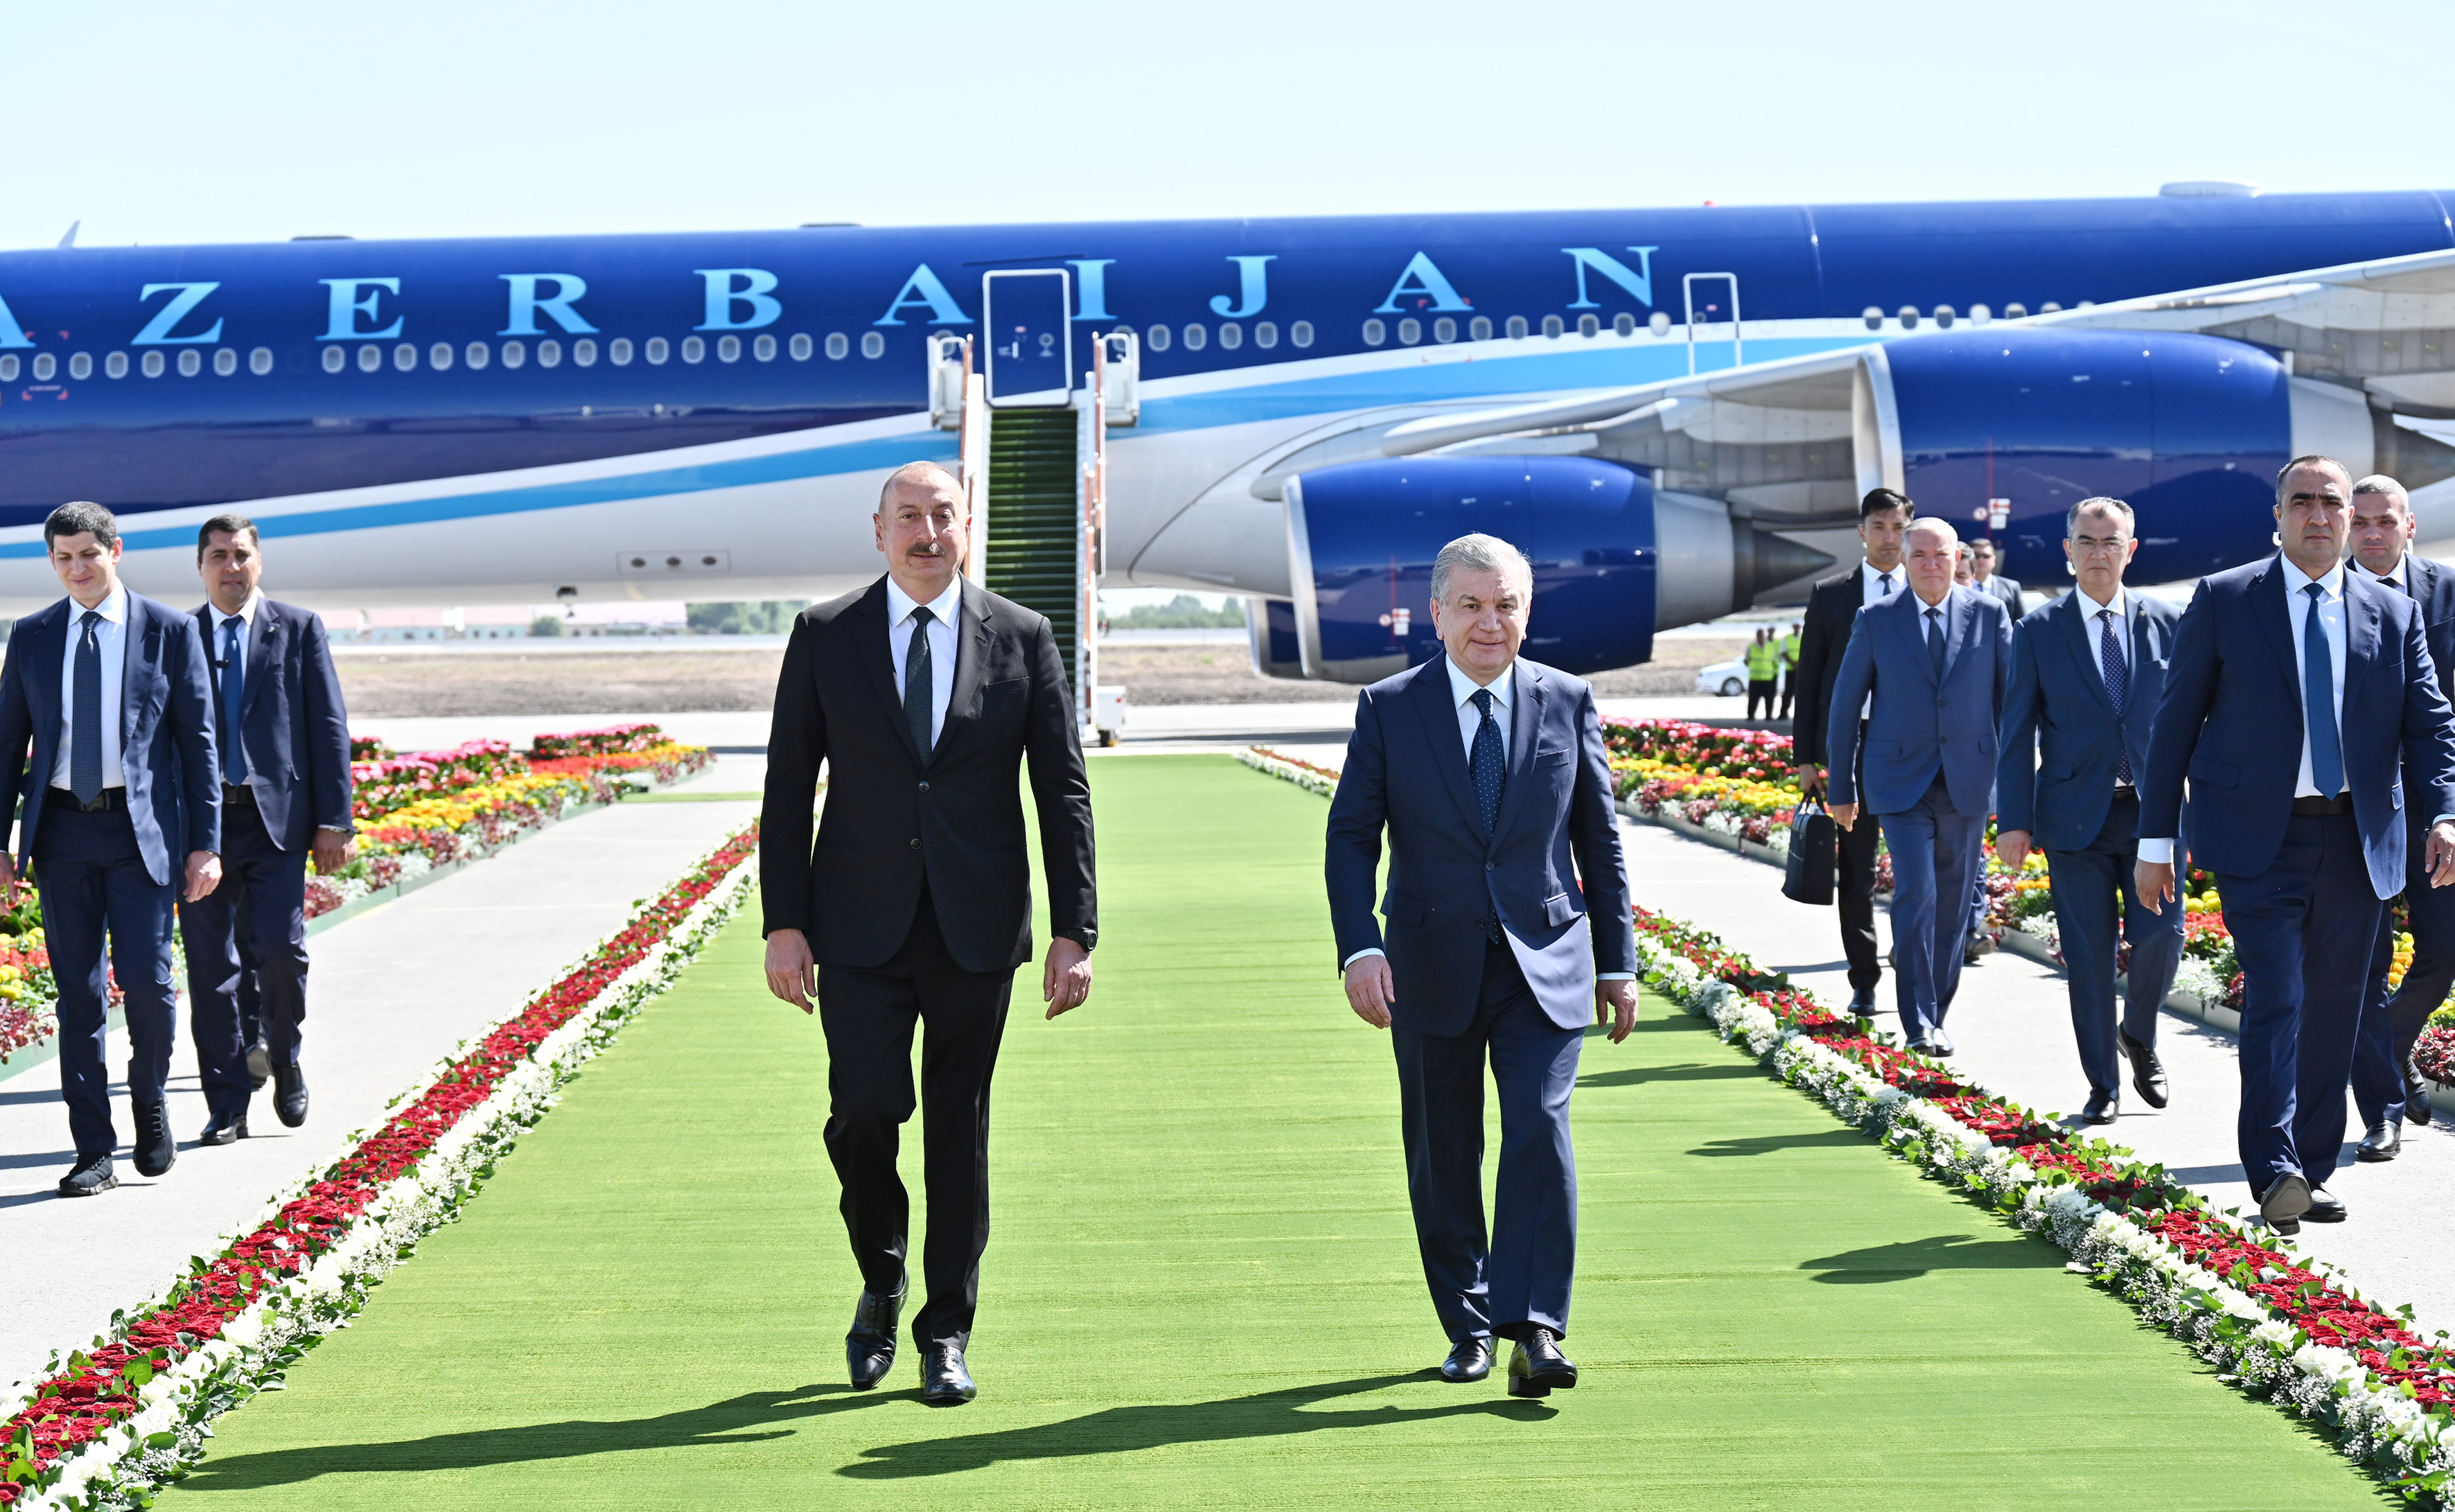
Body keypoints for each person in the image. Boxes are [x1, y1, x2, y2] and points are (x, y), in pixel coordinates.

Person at [761, 459, 1095, 1405]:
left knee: (960, 1130)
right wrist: (784, 923)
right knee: (863, 1115)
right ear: (878, 532)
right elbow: (787, 790)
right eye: (907, 517)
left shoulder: (1022, 637)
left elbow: (1061, 791)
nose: (925, 532)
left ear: (966, 524)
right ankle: (880, 1269)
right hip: (856, 925)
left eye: (941, 515)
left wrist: (1075, 929)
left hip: (974, 929)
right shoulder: (825, 635)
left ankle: (944, 1331)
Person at [1326, 532, 1637, 1399]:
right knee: (1444, 1148)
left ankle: (1535, 1325)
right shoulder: (1390, 707)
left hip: (1547, 961)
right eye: (1470, 605)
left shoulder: (1568, 700)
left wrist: (1620, 965)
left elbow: (1599, 846)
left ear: (1526, 612)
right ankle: (1467, 1323)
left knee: (1539, 1128)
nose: (1489, 623)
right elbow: (1352, 838)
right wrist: (1360, 945)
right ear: (1437, 614)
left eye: (1505, 605)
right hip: (1428, 962)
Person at [2138, 455, 2455, 1233]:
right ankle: (2273, 1164)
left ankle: (2309, 1171)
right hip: (2258, 839)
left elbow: (2431, 725)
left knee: (2337, 1009)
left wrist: (2445, 813)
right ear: (2277, 515)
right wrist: (2155, 839)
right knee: (2279, 994)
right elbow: (2174, 723)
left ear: (2351, 517)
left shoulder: (2393, 610)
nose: (2319, 515)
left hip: (2358, 838)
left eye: (2332, 503)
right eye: (2302, 502)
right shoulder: (2225, 598)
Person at [0, 502, 220, 1197]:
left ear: (116, 551)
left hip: (140, 835)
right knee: (79, 997)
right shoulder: (32, 636)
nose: (77, 570)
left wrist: (205, 845)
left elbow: (198, 745)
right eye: (63, 559)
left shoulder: (168, 630)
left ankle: (150, 1101)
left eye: (88, 556)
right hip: (62, 834)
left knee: (152, 988)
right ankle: (93, 1147)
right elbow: (8, 746)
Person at [1994, 498, 2183, 1123]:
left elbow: (2196, 721)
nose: (2098, 553)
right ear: (2067, 551)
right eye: (2086, 542)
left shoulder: (2169, 621)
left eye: (2111, 542)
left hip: (2153, 814)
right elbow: (2016, 732)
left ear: (2130, 550)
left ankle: (2140, 1032)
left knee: (2163, 936)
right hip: (2074, 817)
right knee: (2089, 954)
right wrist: (2014, 820)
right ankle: (2102, 1083)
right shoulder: (2037, 630)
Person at [179, 515, 354, 1143]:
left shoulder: (298, 628)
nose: (231, 566)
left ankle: (283, 1058)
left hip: (278, 822)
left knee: (282, 952)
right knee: (210, 968)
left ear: (259, 562)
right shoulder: (180, 635)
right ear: (200, 566)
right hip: (201, 827)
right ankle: (226, 1102)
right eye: (218, 556)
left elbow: (328, 726)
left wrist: (335, 820)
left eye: (241, 555)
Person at [1826, 516, 2012, 1055]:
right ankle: (1917, 1022)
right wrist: (1842, 787)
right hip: (1899, 783)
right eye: (1921, 556)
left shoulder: (1989, 614)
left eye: (1942, 555)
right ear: (1904, 561)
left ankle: (1936, 1013)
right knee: (1916, 895)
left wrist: (2017, 787)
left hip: (1967, 783)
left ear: (1961, 560)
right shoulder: (1876, 618)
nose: (1931, 565)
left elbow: (2011, 704)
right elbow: (1844, 709)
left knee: (1954, 909)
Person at [2346, 474, 2455, 1153]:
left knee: (2444, 951)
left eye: (2388, 521)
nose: (2376, 533)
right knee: (2366, 957)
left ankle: (2385, 1050)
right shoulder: (2324, 598)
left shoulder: (2447, 593)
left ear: (2409, 525)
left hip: (2432, 810)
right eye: (2364, 523)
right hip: (2350, 812)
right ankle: (2380, 1109)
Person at [1791, 489, 1916, 1013]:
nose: (1890, 537)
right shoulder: (1831, 594)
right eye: (1879, 526)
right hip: (1853, 750)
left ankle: (1915, 973)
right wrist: (1805, 758)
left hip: (1915, 751)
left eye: (1898, 527)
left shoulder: (1929, 590)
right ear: (1861, 532)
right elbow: (1809, 678)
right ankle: (1863, 978)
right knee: (1858, 871)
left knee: (1918, 870)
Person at [1971, 538, 2025, 615]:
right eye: (1976, 556)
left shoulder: (2011, 588)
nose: (1981, 560)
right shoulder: (1957, 586)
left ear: (1994, 561)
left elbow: (2021, 620)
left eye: (1986, 556)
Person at [1743, 627, 1779, 720]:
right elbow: (1746, 660)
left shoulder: (1770, 647)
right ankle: (1751, 715)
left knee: (1769, 699)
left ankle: (1769, 716)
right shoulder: (1752, 647)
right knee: (1753, 699)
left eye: (1761, 635)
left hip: (1768, 677)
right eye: (1759, 635)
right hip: (1755, 678)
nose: (1760, 637)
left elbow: (1775, 661)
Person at [1777, 622, 1802, 720]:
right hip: (1790, 669)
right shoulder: (1787, 638)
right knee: (1788, 692)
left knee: (1800, 693)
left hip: (1801, 669)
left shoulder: (1803, 637)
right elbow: (1784, 652)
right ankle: (1783, 713)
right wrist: (1793, 663)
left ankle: (1800, 714)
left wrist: (1799, 663)